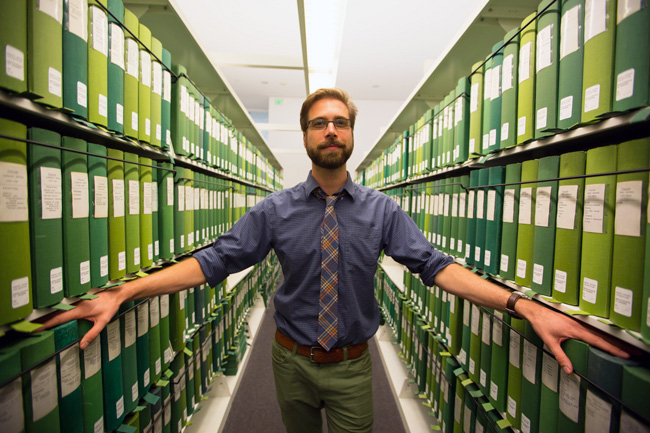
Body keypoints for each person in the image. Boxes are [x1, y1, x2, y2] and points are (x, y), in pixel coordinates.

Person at [41, 87, 630, 433]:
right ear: (305, 136)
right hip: (289, 360)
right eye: (319, 123)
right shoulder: (273, 210)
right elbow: (215, 261)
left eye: (340, 122)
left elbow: (436, 266)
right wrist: (126, 290)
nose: (330, 130)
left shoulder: (381, 211)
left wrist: (522, 303)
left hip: (351, 364)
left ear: (352, 135)